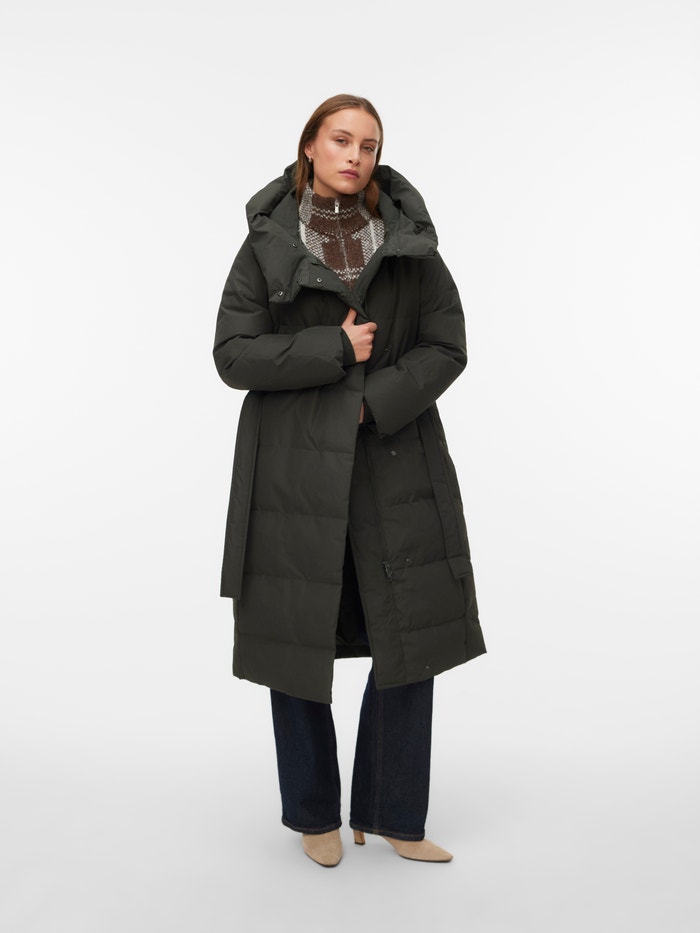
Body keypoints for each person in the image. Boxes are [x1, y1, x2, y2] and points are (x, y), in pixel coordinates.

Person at [213, 93, 486, 868]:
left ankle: (394, 814)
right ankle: (313, 814)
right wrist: (331, 349)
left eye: (369, 145)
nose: (355, 156)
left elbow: (447, 343)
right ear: (310, 144)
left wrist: (375, 400)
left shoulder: (408, 242)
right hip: (293, 469)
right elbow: (232, 354)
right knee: (294, 639)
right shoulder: (266, 243)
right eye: (341, 139)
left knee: (409, 637)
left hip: (395, 460)